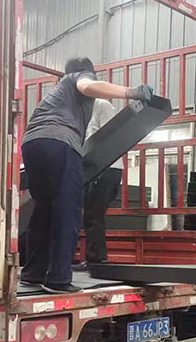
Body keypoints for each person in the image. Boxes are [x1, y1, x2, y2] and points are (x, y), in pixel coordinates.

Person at [21, 57, 152, 294]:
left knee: (44, 211)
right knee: (68, 210)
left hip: (33, 144)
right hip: (60, 142)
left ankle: (33, 274)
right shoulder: (77, 79)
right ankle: (58, 279)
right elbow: (88, 86)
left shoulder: (56, 97)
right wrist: (132, 92)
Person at [77, 98, 121, 269]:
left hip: (106, 167)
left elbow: (111, 135)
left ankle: (97, 260)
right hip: (95, 168)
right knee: (92, 214)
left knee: (94, 214)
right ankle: (95, 258)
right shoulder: (83, 111)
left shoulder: (102, 105)